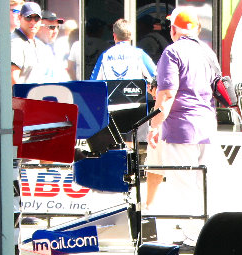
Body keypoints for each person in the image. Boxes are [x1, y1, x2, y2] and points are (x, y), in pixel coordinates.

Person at [146, 7, 220, 212]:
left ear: (173, 30)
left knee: (182, 186)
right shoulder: (208, 52)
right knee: (203, 184)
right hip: (206, 125)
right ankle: (205, 231)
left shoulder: (172, 52)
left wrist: (154, 126)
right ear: (196, 29)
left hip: (181, 128)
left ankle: (191, 235)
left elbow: (167, 94)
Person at [90, 19, 157, 81]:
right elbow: (157, 77)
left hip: (111, 94)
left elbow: (93, 83)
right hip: (135, 93)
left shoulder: (105, 55)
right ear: (130, 36)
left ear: (114, 36)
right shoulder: (139, 54)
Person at [11, 2, 48, 85]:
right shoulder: (15, 42)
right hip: (22, 96)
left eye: (36, 18)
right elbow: (13, 78)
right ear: (20, 18)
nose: (33, 22)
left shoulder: (39, 44)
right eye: (28, 17)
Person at [35, 9, 67, 81]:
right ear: (38, 27)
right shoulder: (32, 46)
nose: (55, 31)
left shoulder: (47, 47)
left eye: (57, 27)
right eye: (51, 27)